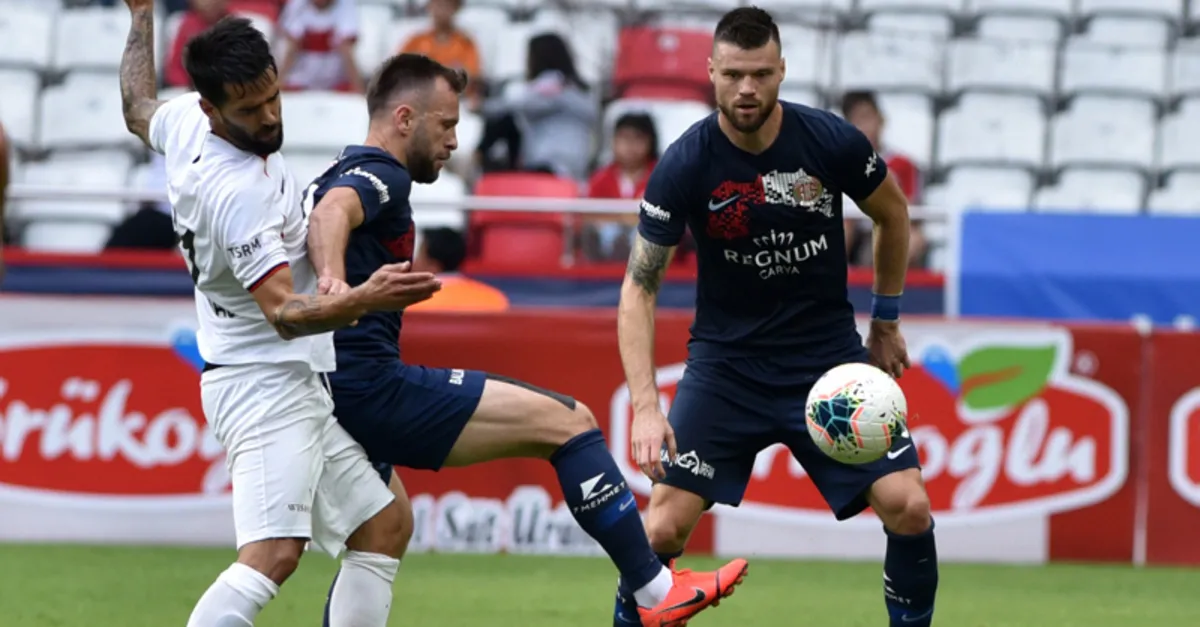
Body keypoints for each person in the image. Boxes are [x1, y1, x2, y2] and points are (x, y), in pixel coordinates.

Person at [304, 53, 749, 627]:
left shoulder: (340, 166)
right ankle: (653, 588)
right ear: (405, 118)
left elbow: (329, 208)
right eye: (446, 125)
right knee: (570, 423)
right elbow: (331, 215)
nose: (455, 141)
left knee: (385, 526)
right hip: (367, 388)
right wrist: (333, 283)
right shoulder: (381, 175)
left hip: (328, 389)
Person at [116, 4, 440, 626]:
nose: (268, 117)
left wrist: (141, 16)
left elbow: (137, 107)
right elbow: (285, 313)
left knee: (384, 523)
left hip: (283, 375)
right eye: (250, 110)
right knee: (273, 555)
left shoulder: (184, 121)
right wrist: (365, 297)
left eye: (272, 97)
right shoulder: (241, 193)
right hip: (263, 383)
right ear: (212, 109)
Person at [614, 7, 937, 627]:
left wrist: (886, 321)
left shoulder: (830, 141)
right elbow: (639, 286)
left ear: (782, 71)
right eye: (733, 74)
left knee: (909, 506)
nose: (747, 89)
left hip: (827, 364)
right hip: (727, 369)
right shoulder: (685, 163)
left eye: (761, 74)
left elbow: (893, 214)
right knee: (659, 531)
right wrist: (647, 406)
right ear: (710, 72)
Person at [841, 91, 928, 268]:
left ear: (880, 119)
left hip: (887, 229)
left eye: (867, 117)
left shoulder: (902, 164)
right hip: (854, 233)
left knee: (914, 238)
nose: (864, 126)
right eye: (856, 121)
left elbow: (910, 209)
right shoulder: (839, 163)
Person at [406, 227, 510, 312]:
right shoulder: (495, 299)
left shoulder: (410, 304)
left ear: (433, 266)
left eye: (418, 255)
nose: (413, 262)